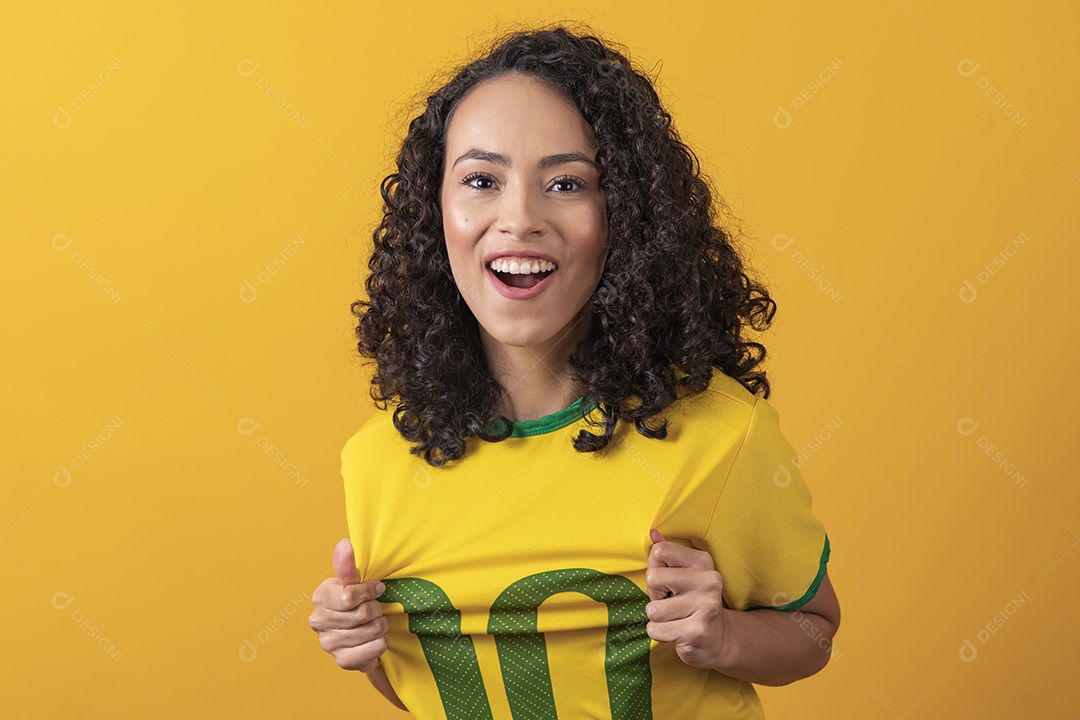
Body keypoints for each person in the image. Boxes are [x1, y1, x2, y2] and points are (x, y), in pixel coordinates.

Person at [308, 22, 840, 719]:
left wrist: (724, 635)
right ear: (434, 211)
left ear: (624, 215)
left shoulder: (722, 438)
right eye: (480, 180)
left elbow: (814, 630)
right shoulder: (377, 464)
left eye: (565, 182)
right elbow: (430, 692)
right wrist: (369, 648)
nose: (519, 218)